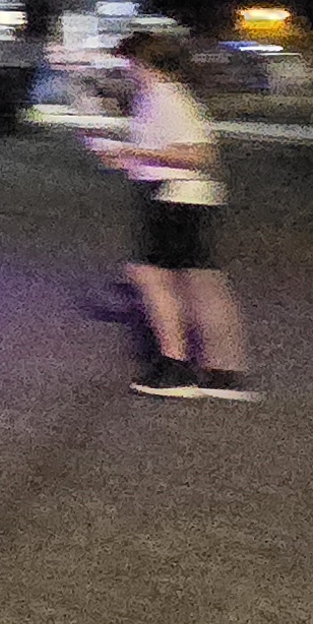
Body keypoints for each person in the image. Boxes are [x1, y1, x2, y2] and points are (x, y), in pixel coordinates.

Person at [97, 31, 255, 398]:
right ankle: (224, 373)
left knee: (150, 275)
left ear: (145, 62)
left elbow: (199, 154)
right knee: (201, 281)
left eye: (130, 63)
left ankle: (175, 367)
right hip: (188, 196)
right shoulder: (171, 96)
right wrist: (128, 156)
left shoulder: (166, 97)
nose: (128, 71)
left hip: (173, 197)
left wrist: (136, 155)